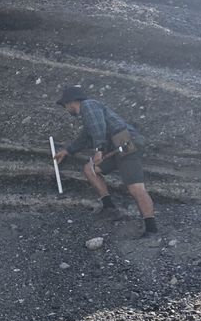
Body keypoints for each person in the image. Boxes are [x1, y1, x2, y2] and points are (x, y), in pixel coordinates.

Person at [53, 85, 157, 237]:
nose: (66, 109)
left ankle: (151, 228)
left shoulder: (88, 105)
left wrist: (99, 149)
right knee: (90, 169)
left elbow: (98, 127)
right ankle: (110, 208)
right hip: (115, 148)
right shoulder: (89, 114)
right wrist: (67, 151)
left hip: (126, 143)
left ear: (71, 102)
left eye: (64, 105)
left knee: (135, 188)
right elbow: (85, 137)